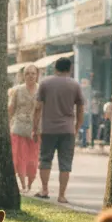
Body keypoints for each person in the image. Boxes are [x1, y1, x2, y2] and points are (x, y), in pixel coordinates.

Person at [33, 56, 83, 203]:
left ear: (55, 68)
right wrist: (76, 127)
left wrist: (35, 128)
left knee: (45, 160)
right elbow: (80, 109)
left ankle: (44, 189)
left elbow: (37, 108)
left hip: (48, 129)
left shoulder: (45, 83)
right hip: (68, 130)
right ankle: (61, 195)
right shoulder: (75, 85)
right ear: (70, 69)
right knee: (65, 163)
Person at [8, 64, 40, 193]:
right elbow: (11, 109)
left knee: (33, 160)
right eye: (27, 73)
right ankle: (23, 184)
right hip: (18, 128)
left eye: (33, 73)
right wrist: (8, 123)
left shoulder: (41, 90)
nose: (30, 76)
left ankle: (31, 182)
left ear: (37, 75)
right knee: (20, 157)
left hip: (35, 129)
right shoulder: (17, 90)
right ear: (23, 76)